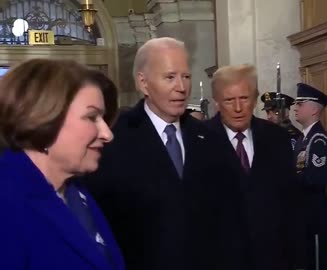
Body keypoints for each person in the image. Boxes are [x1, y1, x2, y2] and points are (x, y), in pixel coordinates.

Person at [81, 37, 224, 270]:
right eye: (170, 77)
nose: (181, 87)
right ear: (143, 83)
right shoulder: (114, 139)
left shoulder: (209, 139)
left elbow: (226, 220)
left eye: (185, 76)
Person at [0, 59, 124, 270]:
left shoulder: (76, 192)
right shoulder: (7, 202)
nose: (107, 134)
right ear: (43, 117)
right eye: (92, 117)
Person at [206, 64, 306, 270]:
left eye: (244, 98)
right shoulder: (199, 139)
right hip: (221, 260)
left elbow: (291, 203)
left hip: (273, 259)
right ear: (216, 103)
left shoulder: (276, 137)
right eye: (228, 100)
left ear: (253, 100)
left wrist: (298, 261)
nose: (238, 108)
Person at [293, 83, 327, 270]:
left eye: (300, 104)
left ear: (313, 110)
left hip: (314, 216)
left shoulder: (318, 140)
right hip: (302, 215)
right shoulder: (304, 138)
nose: (295, 107)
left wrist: (287, 178)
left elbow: (317, 180)